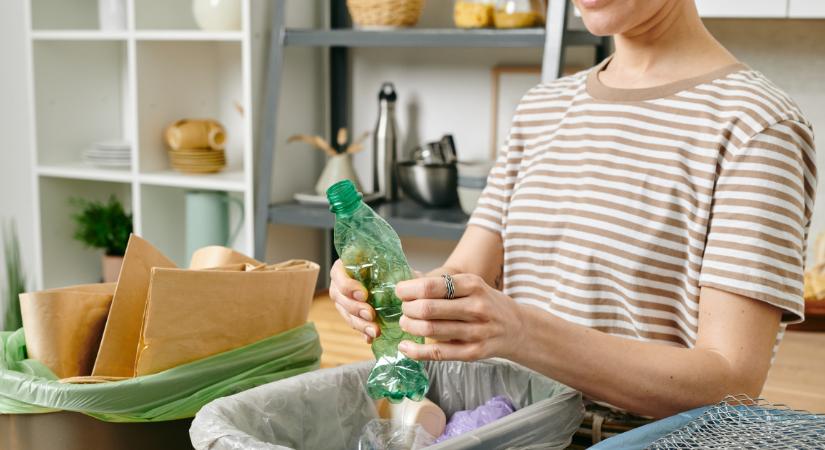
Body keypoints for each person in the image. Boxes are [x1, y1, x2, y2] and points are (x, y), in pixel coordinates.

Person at [330, 0, 816, 419]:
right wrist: (392, 290)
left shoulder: (757, 127)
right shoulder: (542, 107)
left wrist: (520, 330)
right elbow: (463, 274)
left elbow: (729, 382)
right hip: (507, 425)